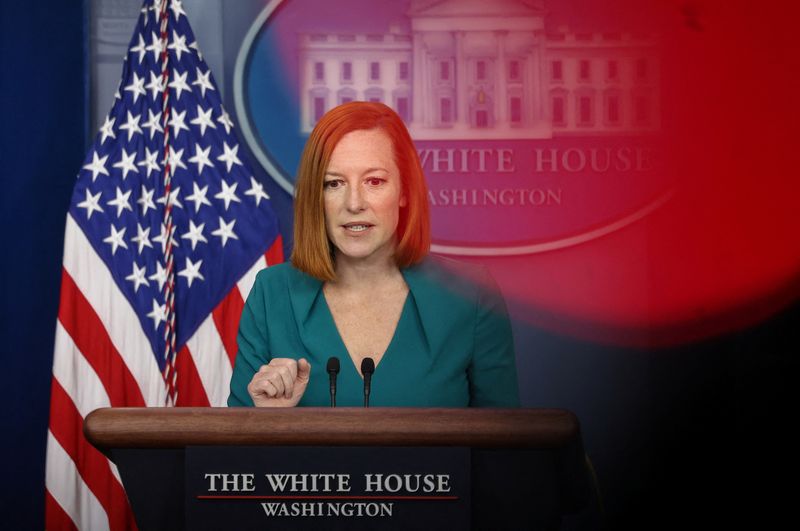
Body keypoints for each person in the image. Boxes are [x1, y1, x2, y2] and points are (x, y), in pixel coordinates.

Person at [228, 101, 519, 407]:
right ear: (316, 195)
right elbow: (233, 448)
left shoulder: (470, 296)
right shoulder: (271, 293)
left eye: (374, 181)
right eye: (334, 183)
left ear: (405, 190)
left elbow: (504, 448)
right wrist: (267, 424)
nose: (354, 203)